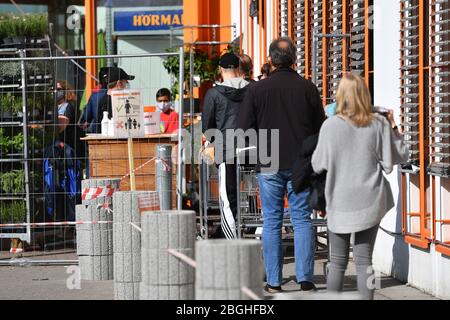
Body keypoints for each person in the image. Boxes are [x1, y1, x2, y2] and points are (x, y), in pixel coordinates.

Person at [239, 37, 326, 293]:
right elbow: (320, 127)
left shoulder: (256, 90)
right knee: (301, 219)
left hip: (268, 157)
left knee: (272, 220)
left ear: (270, 59)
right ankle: (305, 277)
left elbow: (244, 129)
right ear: (295, 59)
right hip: (301, 160)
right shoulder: (308, 88)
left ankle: (275, 281)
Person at [311, 73, 409, 300]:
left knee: (337, 262)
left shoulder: (330, 126)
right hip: (370, 199)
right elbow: (394, 160)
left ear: (340, 96)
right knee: (365, 261)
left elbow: (317, 164)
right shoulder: (379, 124)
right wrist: (393, 125)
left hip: (339, 200)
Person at [202, 52, 249, 239]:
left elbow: (208, 127)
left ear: (221, 70)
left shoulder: (214, 94)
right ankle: (255, 234)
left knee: (228, 199)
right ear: (239, 68)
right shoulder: (253, 89)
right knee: (252, 197)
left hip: (226, 150)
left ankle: (232, 242)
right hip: (253, 148)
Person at [78, 67, 109, 133]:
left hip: (98, 131)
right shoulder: (119, 94)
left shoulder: (95, 96)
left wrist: (83, 122)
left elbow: (87, 115)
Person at [56, 80, 78, 152]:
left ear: (65, 91)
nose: (55, 91)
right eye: (53, 89)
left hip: (66, 148)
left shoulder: (67, 107)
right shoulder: (54, 107)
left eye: (58, 89)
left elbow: (60, 127)